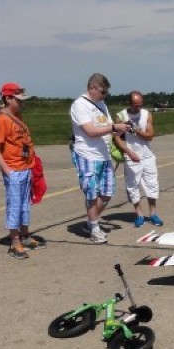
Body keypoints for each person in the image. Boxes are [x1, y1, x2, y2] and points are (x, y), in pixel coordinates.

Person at [69, 73, 132, 244]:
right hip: (87, 155)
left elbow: (108, 127)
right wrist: (112, 127)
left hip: (103, 155)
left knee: (107, 192)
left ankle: (91, 222)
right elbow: (90, 130)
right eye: (103, 92)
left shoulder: (101, 104)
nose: (105, 96)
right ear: (92, 88)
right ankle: (94, 229)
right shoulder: (80, 105)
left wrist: (120, 130)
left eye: (106, 93)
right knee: (92, 193)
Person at [0, 82, 44, 260]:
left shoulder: (17, 115)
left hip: (25, 167)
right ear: (8, 98)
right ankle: (14, 242)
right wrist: (8, 171)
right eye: (18, 99)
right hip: (13, 169)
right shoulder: (1, 120)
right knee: (15, 206)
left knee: (25, 205)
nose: (22, 103)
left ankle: (25, 235)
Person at [116, 91, 162, 227]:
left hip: (147, 155)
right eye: (136, 105)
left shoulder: (147, 114)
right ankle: (139, 215)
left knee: (152, 184)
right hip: (131, 156)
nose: (138, 107)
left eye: (140, 104)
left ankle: (153, 214)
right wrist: (128, 152)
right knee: (132, 186)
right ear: (130, 103)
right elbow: (117, 137)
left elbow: (150, 135)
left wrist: (135, 130)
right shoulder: (121, 116)